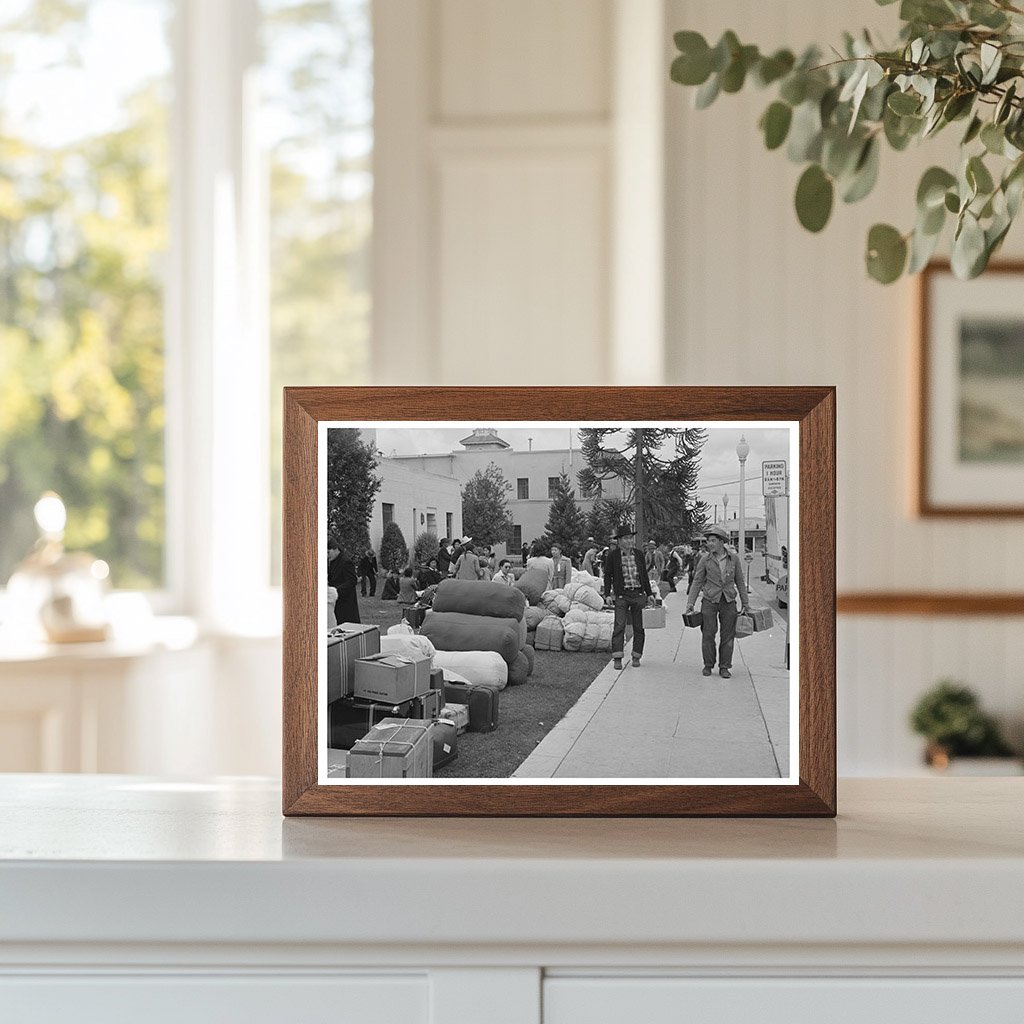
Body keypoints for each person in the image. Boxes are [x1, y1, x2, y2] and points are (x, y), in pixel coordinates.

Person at [685, 524, 751, 679]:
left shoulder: (733, 559)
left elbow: (740, 582)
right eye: (709, 541)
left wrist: (746, 604)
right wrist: (690, 603)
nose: (710, 544)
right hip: (709, 600)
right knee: (708, 634)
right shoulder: (704, 560)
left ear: (722, 542)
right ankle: (708, 665)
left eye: (713, 541)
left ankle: (724, 667)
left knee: (727, 635)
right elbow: (697, 581)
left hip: (728, 601)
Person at [603, 524, 654, 671]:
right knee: (619, 625)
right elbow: (608, 575)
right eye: (626, 538)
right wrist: (607, 594)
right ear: (619, 541)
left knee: (639, 627)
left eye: (630, 538)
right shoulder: (613, 555)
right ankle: (617, 657)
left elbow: (643, 575)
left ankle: (636, 655)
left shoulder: (638, 554)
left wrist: (649, 594)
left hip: (638, 594)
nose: (629, 541)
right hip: (621, 595)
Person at [326, 534, 360, 624]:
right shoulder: (331, 562)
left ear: (335, 548)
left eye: (328, 552)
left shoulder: (345, 562)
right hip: (335, 601)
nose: (327, 556)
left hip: (346, 603)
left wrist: (336, 590)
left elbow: (352, 581)